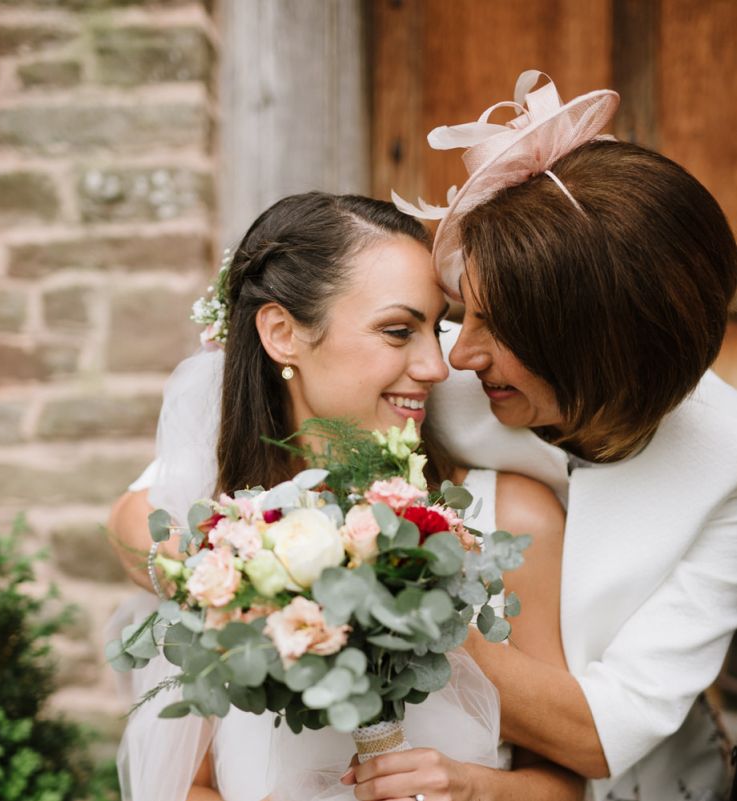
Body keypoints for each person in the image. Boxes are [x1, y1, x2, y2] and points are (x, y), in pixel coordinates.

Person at [109, 191, 582, 801]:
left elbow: (566, 785)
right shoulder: (226, 550)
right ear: (282, 333)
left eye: (434, 330)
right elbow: (189, 783)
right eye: (396, 331)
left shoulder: (512, 519)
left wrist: (473, 788)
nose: (438, 367)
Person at [373, 70, 737, 801]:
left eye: (496, 329)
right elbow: (178, 480)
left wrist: (386, 611)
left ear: (597, 349)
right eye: (461, 310)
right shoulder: (427, 371)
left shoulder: (725, 470)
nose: (460, 353)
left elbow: (603, 731)